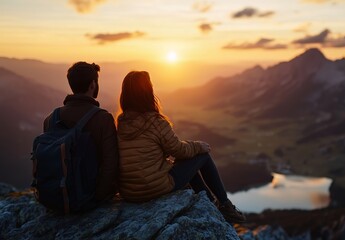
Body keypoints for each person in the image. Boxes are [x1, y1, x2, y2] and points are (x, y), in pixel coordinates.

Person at [116, 71, 246, 223]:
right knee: (201, 156)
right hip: (154, 187)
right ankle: (225, 205)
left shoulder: (121, 123)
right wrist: (199, 146)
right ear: (147, 92)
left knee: (187, 165)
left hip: (130, 192)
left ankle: (211, 204)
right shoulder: (155, 122)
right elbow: (178, 150)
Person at [43, 62, 119, 204]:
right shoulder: (103, 119)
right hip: (90, 197)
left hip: (56, 197)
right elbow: (111, 164)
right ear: (92, 85)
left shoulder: (51, 119)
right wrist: (98, 198)